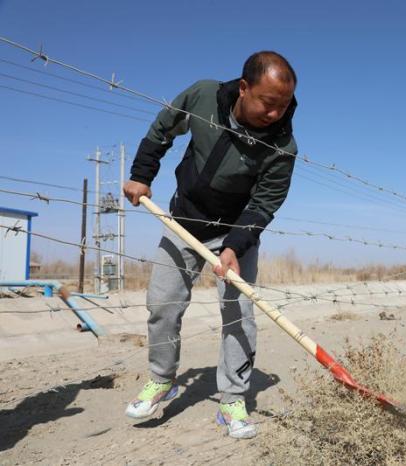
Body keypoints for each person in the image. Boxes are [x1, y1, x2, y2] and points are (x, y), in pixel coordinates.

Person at [121, 51, 298, 439]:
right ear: (244, 87)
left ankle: (233, 398)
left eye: (283, 107)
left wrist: (235, 247)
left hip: (235, 232)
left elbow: (264, 204)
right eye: (268, 104)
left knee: (239, 315)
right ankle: (161, 378)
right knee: (163, 304)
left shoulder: (282, 146)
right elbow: (162, 129)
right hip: (183, 221)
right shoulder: (203, 96)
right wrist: (140, 174)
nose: (275, 115)